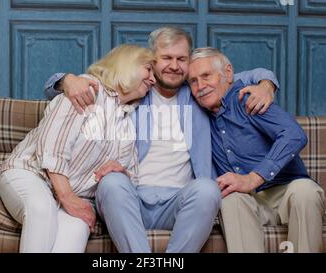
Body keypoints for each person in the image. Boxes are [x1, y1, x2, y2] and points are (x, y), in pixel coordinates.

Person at [43, 26, 280, 253]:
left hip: (179, 201)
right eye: (166, 58)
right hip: (129, 196)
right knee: (111, 182)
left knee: (208, 190)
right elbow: (57, 86)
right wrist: (66, 80)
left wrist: (267, 84)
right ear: (152, 61)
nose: (174, 66)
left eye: (182, 59)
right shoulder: (136, 90)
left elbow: (243, 75)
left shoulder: (199, 92)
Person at [0, 44, 156, 253]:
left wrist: (120, 171)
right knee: (42, 210)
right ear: (127, 65)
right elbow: (52, 145)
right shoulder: (87, 89)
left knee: (75, 233)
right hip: (31, 174)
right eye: (148, 69)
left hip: (79, 196)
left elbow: (132, 178)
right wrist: (66, 197)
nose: (153, 79)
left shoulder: (127, 122)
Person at [187, 47, 325, 253]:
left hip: (286, 192)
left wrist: (253, 177)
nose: (200, 86)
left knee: (306, 191)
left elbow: (294, 135)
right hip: (246, 200)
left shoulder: (248, 98)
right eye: (193, 81)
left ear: (228, 73)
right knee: (230, 198)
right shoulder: (195, 112)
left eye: (206, 76)